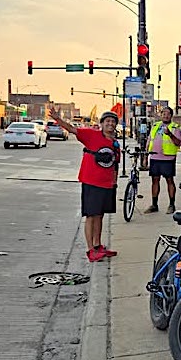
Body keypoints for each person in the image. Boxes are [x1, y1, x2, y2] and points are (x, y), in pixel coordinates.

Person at [47, 106, 120, 262]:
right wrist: (58, 119)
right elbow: (73, 129)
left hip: (107, 185)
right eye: (107, 121)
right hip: (91, 181)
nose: (110, 124)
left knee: (100, 215)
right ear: (101, 123)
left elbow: (115, 163)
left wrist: (114, 181)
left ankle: (98, 245)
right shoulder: (91, 135)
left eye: (113, 122)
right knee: (91, 216)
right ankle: (90, 250)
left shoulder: (114, 143)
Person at [144, 107, 181, 214]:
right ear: (161, 115)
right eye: (163, 113)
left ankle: (171, 204)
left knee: (169, 181)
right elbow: (149, 141)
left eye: (168, 114)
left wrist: (170, 134)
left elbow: (178, 143)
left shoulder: (175, 127)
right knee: (155, 181)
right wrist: (145, 157)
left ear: (171, 115)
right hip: (154, 157)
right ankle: (154, 204)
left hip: (168, 158)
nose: (165, 116)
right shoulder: (155, 125)